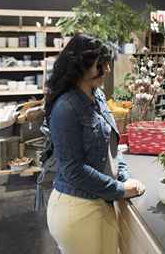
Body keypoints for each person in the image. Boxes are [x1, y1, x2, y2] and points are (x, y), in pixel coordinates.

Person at [45, 34, 145, 254]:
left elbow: (112, 145)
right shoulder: (66, 108)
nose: (107, 69)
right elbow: (73, 170)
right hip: (77, 209)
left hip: (101, 203)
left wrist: (125, 178)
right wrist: (119, 189)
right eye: (101, 64)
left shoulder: (97, 95)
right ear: (82, 64)